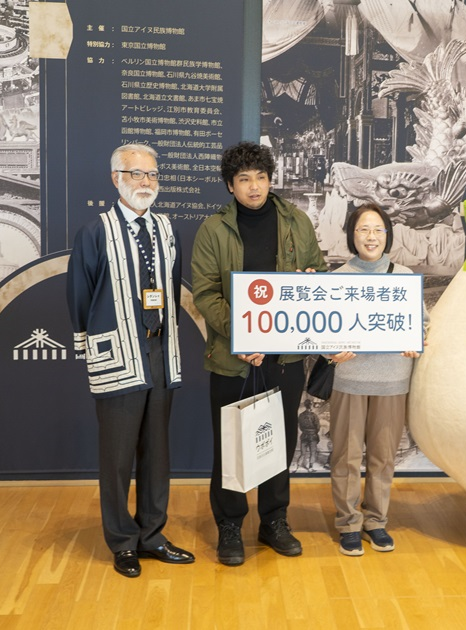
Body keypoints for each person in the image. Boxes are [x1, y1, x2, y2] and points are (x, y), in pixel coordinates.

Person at [191, 141, 327, 566]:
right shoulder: (214, 230)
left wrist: (311, 280)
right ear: (230, 186)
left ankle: (274, 521)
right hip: (232, 359)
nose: (254, 187)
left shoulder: (297, 222)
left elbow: (319, 276)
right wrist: (243, 337)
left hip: (285, 359)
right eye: (244, 179)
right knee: (232, 443)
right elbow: (206, 293)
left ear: (271, 179)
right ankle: (230, 524)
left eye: (261, 177)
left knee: (279, 441)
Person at [67, 143, 195, 578]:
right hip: (118, 352)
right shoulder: (95, 232)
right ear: (115, 178)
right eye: (136, 173)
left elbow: (172, 286)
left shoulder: (166, 228)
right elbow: (80, 294)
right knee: (118, 456)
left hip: (159, 350)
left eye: (152, 174)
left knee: (157, 453)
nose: (146, 182)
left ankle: (152, 534)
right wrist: (87, 343)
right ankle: (122, 541)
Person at [323, 203, 422, 556]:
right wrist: (330, 353)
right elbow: (320, 331)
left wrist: (415, 342)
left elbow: (421, 324)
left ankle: (376, 521)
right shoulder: (336, 279)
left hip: (393, 380)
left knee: (383, 457)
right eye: (363, 229)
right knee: (346, 457)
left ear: (387, 236)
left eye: (378, 229)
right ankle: (349, 523)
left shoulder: (404, 277)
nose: (371, 236)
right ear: (352, 235)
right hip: (349, 379)